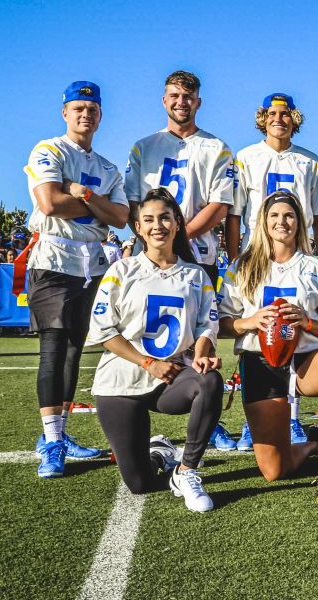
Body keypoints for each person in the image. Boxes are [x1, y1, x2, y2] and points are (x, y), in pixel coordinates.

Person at [217, 190, 318, 511]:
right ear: (263, 223)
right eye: (275, 216)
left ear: (300, 223)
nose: (282, 222)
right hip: (260, 361)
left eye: (289, 216)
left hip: (307, 360)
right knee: (273, 470)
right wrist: (250, 321)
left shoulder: (316, 269)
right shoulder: (243, 266)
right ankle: (314, 442)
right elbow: (222, 324)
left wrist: (307, 322)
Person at [85, 188, 224, 512]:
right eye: (148, 219)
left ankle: (186, 470)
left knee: (209, 381)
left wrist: (202, 353)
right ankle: (159, 452)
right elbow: (103, 330)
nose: (157, 225)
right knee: (139, 484)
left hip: (172, 377)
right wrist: (148, 362)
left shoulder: (196, 275)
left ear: (177, 223)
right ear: (137, 226)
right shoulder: (122, 271)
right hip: (122, 379)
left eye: (165, 217)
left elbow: (207, 325)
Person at [19, 80, 130, 479]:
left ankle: (60, 434)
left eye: (92, 109)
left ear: (101, 115)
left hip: (92, 263)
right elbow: (49, 202)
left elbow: (120, 217)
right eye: (78, 108)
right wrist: (93, 204)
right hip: (55, 255)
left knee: (73, 351)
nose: (86, 114)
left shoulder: (107, 167)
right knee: (53, 345)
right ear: (65, 112)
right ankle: (51, 440)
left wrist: (80, 194)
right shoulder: (49, 149)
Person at [124, 70, 236, 283]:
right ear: (164, 100)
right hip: (149, 254)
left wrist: (178, 236)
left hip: (198, 254)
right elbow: (131, 203)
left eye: (188, 97)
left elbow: (219, 205)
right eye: (175, 96)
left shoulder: (217, 148)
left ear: (198, 102)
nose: (181, 102)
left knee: (200, 316)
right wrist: (156, 237)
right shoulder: (143, 147)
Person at [228, 93, 318, 264]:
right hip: (256, 250)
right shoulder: (246, 157)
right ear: (263, 118)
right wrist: (233, 259)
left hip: (299, 251)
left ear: (294, 119)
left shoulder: (310, 161)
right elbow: (234, 214)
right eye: (272, 113)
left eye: (285, 114)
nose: (278, 119)